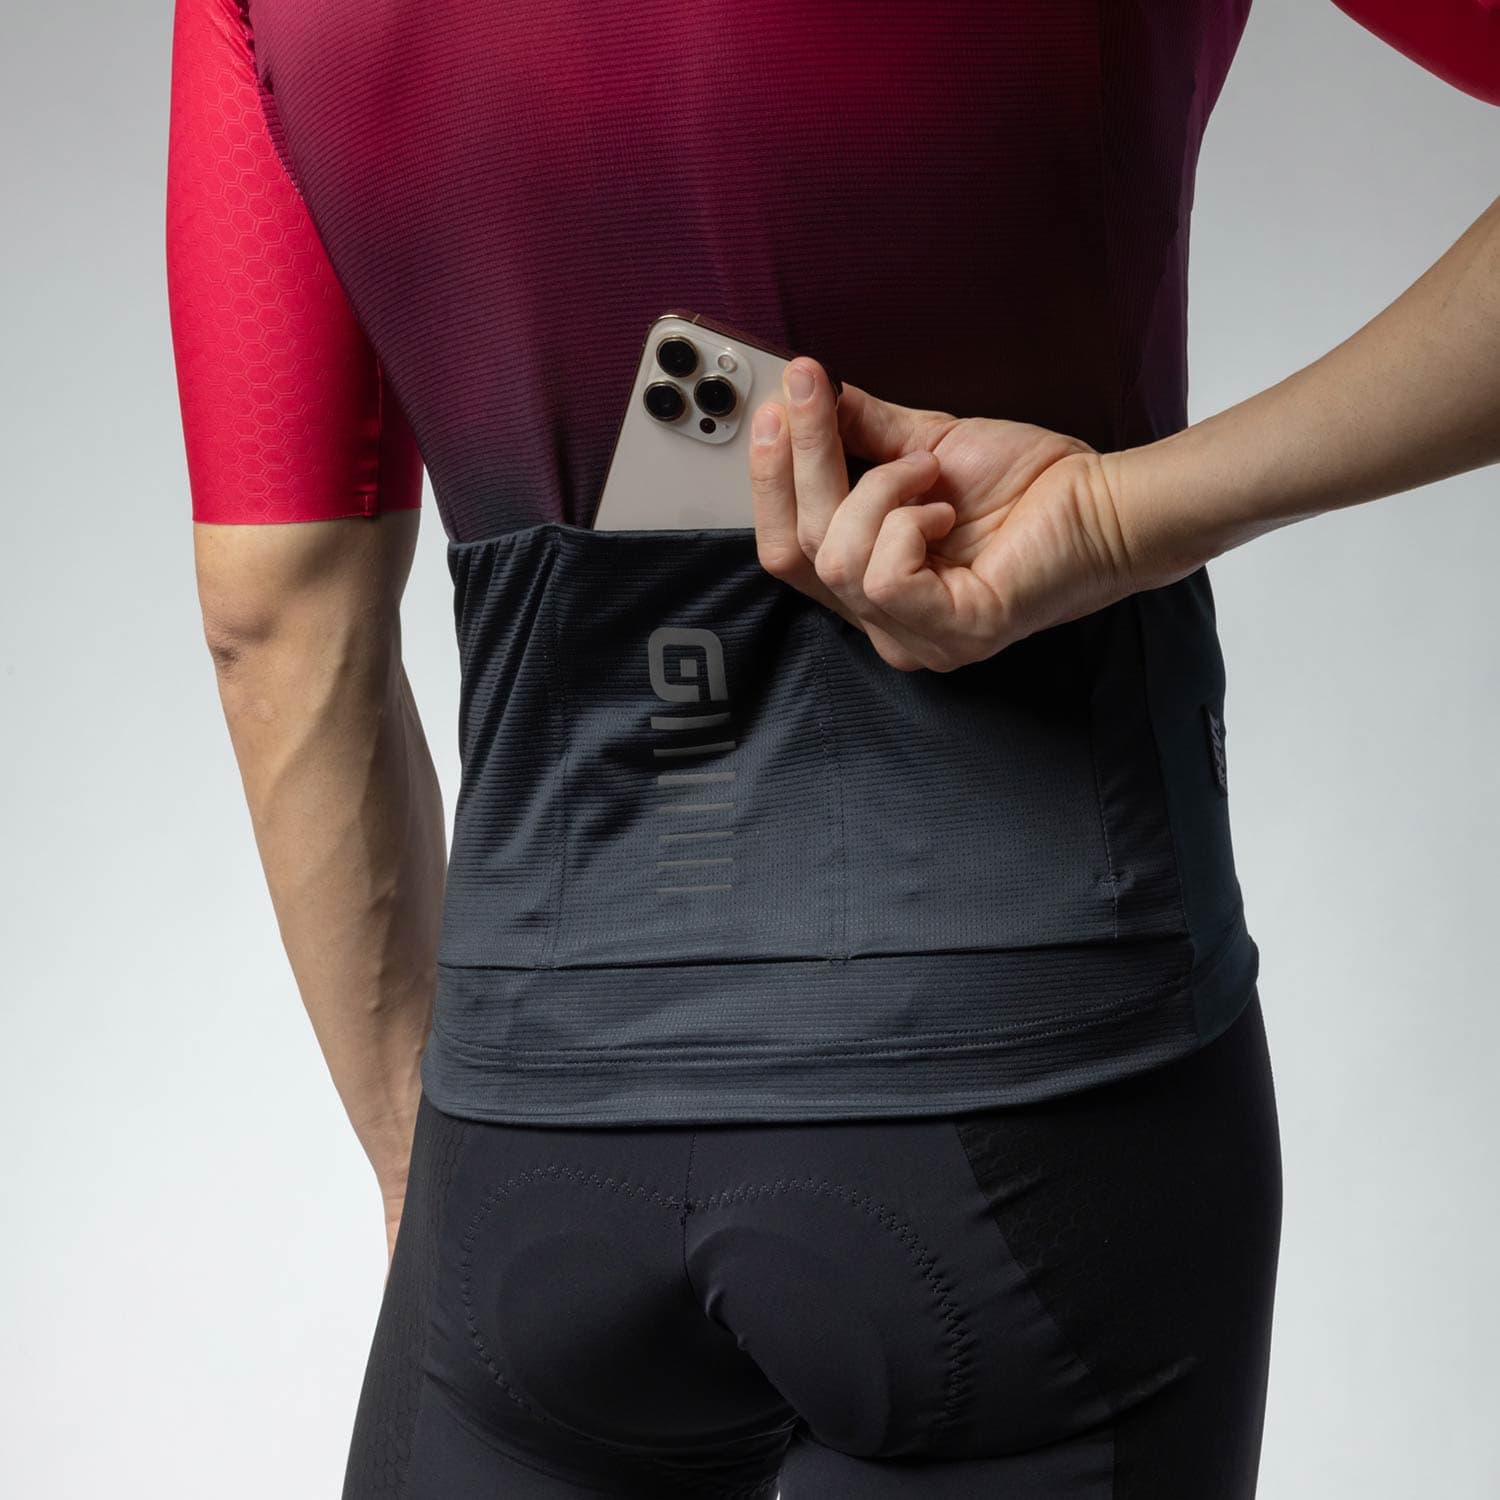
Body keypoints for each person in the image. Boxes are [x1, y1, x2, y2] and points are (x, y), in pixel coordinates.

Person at [164, 1, 1500, 1495]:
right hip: (1037, 1097)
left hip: (536, 1117)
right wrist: (1123, 517)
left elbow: (275, 617)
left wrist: (433, 1172)